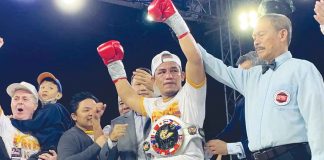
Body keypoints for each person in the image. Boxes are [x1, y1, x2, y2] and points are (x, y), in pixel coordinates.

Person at [200, 14, 324, 160]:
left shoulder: (302, 69)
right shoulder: (251, 77)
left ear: (282, 34)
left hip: (293, 155)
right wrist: (181, 30)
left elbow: (317, 120)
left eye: (261, 34)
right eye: (254, 37)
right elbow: (216, 67)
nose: (256, 42)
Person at [96, 0, 206, 158]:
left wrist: (173, 18)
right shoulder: (152, 105)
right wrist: (113, 64)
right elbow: (128, 96)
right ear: (154, 79)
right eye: (161, 72)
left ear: (183, 76)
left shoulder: (192, 94)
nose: (168, 76)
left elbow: (195, 59)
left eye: (174, 70)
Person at [206, 51, 266, 160]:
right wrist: (208, 147)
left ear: (261, 71)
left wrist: (230, 148)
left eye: (245, 73)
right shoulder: (241, 102)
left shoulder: (273, 98)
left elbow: (267, 138)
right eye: (239, 74)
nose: (241, 78)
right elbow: (231, 131)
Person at [11, 72, 73, 155]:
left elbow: (34, 124)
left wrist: (13, 121)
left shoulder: (52, 108)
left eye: (50, 88)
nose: (45, 89)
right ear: (38, 94)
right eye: (42, 87)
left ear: (58, 95)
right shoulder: (54, 110)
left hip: (50, 149)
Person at [102, 67, 154, 160]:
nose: (142, 88)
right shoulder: (117, 123)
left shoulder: (167, 111)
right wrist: (112, 141)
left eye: (146, 83)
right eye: (138, 84)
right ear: (131, 88)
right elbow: (105, 158)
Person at [57, 92, 125, 160]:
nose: (91, 113)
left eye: (94, 110)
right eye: (86, 110)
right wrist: (97, 146)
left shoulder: (107, 132)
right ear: (74, 116)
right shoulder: (69, 137)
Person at [1, 81, 57, 159]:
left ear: (35, 106)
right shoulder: (4, 122)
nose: (19, 102)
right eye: (15, 99)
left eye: (25, 99)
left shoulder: (44, 132)